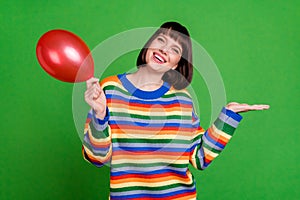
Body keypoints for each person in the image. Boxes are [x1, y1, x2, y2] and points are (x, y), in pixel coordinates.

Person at [82, 22, 270, 200]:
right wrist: (99, 114)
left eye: (175, 49)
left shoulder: (183, 99)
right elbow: (96, 157)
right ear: (149, 45)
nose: (164, 49)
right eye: (161, 40)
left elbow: (199, 157)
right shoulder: (109, 89)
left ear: (175, 64)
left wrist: (227, 117)